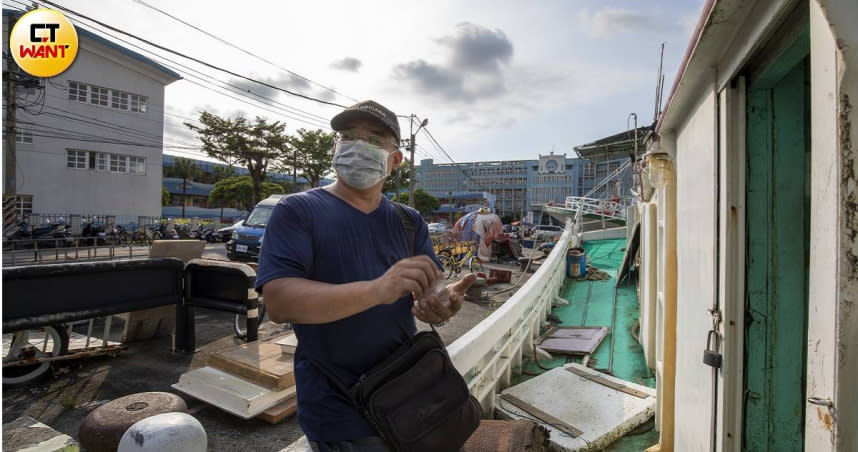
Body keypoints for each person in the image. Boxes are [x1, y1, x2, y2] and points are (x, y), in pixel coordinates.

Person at [256, 100, 476, 451]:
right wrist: (377, 289)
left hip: (409, 391)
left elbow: (430, 291)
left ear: (396, 159)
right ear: (335, 146)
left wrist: (440, 304)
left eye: (375, 140)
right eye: (348, 137)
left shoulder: (408, 221)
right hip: (341, 410)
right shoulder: (297, 210)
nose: (359, 147)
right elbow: (279, 300)